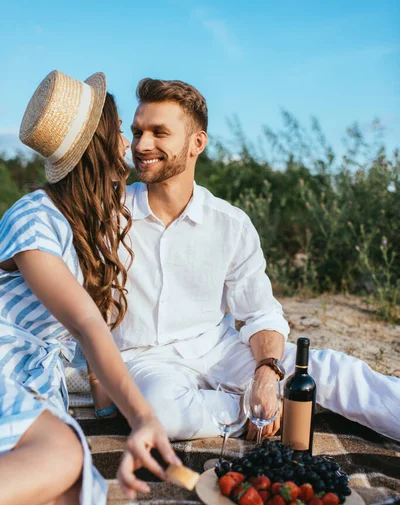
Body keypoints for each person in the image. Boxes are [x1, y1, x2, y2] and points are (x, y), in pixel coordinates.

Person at [91, 77, 400, 444]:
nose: (142, 145)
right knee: (161, 414)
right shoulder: (107, 217)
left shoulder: (231, 223)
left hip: (219, 349)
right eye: (138, 131)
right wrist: (259, 400)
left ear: (197, 143)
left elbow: (259, 314)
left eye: (160, 132)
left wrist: (267, 374)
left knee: (336, 371)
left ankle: (271, 398)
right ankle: (268, 408)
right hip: (146, 362)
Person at [0, 70, 180, 505]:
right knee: (63, 456)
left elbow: (95, 337)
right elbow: (82, 322)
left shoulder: (86, 223)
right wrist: (144, 415)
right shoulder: (33, 219)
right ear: (100, 142)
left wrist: (112, 412)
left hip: (32, 383)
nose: (129, 141)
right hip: (5, 362)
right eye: (121, 129)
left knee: (82, 497)